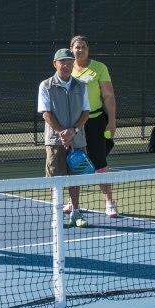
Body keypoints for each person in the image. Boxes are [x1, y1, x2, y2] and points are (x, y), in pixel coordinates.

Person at [38, 48, 91, 228]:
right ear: (55, 64)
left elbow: (86, 112)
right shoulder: (46, 85)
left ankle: (76, 213)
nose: (67, 65)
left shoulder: (81, 85)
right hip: (54, 141)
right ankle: (57, 214)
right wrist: (62, 132)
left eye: (70, 61)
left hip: (77, 139)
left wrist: (73, 131)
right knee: (56, 179)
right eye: (63, 62)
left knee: (75, 178)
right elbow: (46, 113)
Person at [71, 35, 119, 218]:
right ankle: (73, 202)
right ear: (72, 49)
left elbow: (108, 96)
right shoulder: (67, 67)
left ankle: (109, 202)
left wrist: (112, 120)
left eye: (83, 47)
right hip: (73, 123)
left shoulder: (99, 68)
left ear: (88, 49)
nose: (80, 50)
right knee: (74, 163)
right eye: (77, 47)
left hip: (95, 121)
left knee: (100, 163)